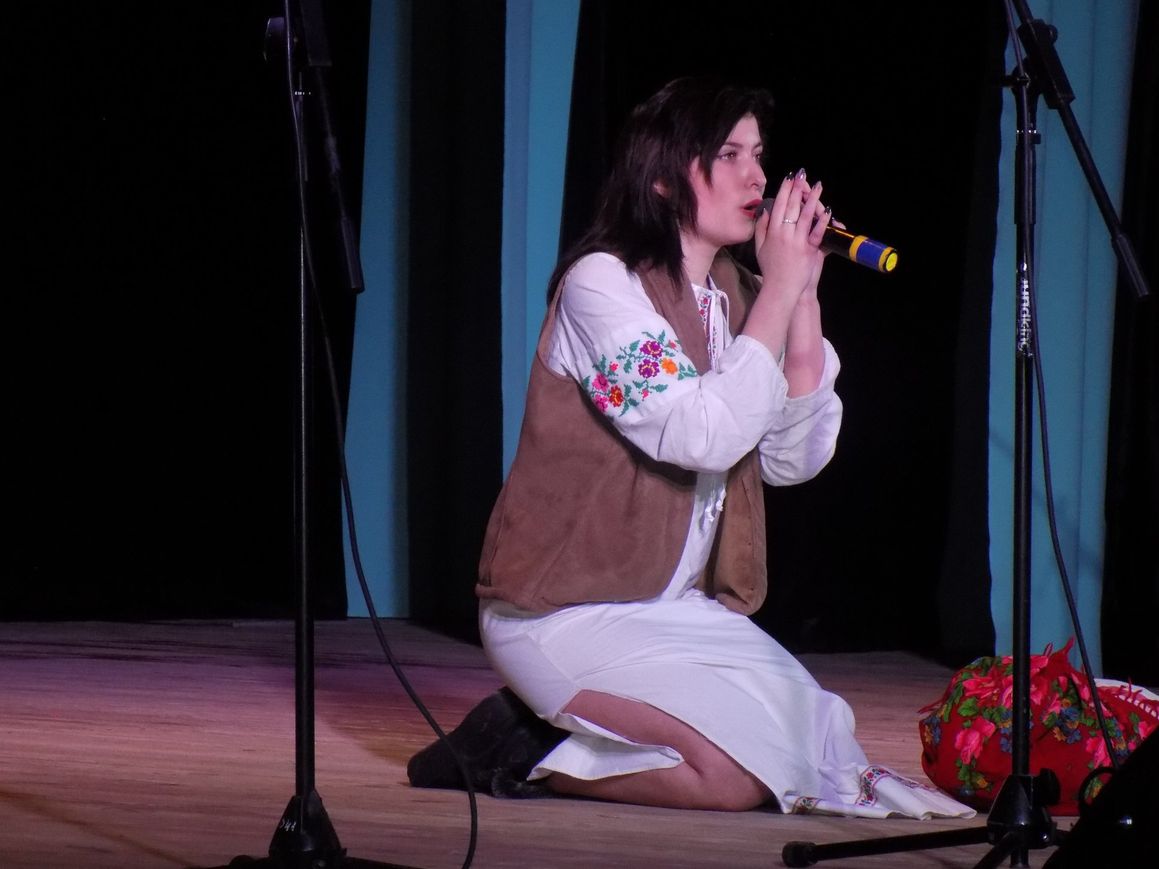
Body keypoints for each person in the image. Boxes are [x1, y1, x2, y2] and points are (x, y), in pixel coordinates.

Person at [410, 77, 972, 819]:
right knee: (733, 778)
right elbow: (699, 436)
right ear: (663, 178)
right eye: (728, 154)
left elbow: (790, 460)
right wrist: (778, 294)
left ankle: (566, 732)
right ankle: (519, 752)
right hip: (563, 613)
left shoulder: (743, 297)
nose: (756, 177)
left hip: (676, 611)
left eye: (758, 155)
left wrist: (802, 294)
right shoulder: (601, 284)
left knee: (817, 738)